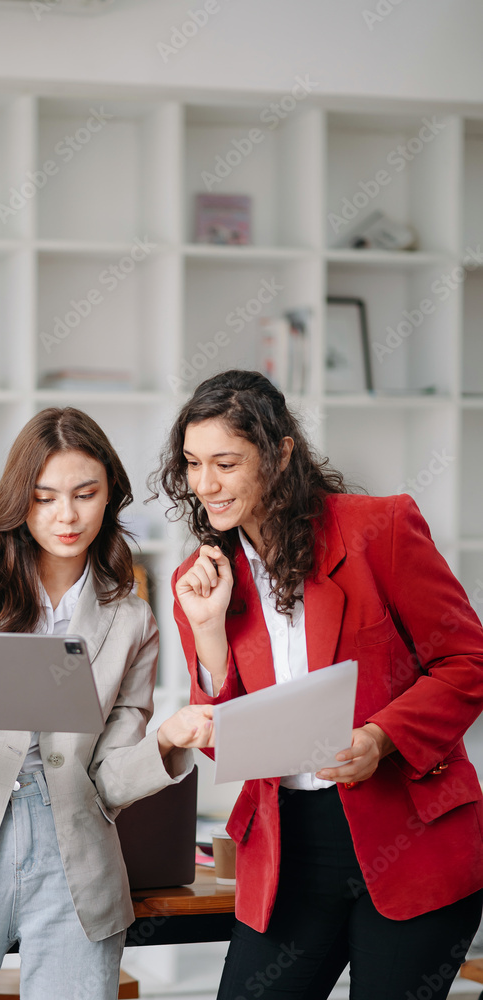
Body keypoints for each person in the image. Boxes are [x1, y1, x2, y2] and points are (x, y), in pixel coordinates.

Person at [153, 369, 483, 1000]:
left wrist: (381, 738)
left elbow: (468, 659)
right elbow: (228, 745)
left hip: (410, 839)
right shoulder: (202, 582)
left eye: (226, 463)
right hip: (287, 851)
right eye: (193, 464)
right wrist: (208, 632)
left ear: (280, 454)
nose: (206, 486)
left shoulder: (377, 531)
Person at [0, 407, 213, 1000]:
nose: (67, 516)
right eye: (45, 497)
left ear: (111, 496)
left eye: (86, 494)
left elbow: (109, 779)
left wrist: (166, 740)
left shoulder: (130, 617)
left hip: (73, 856)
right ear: (19, 501)